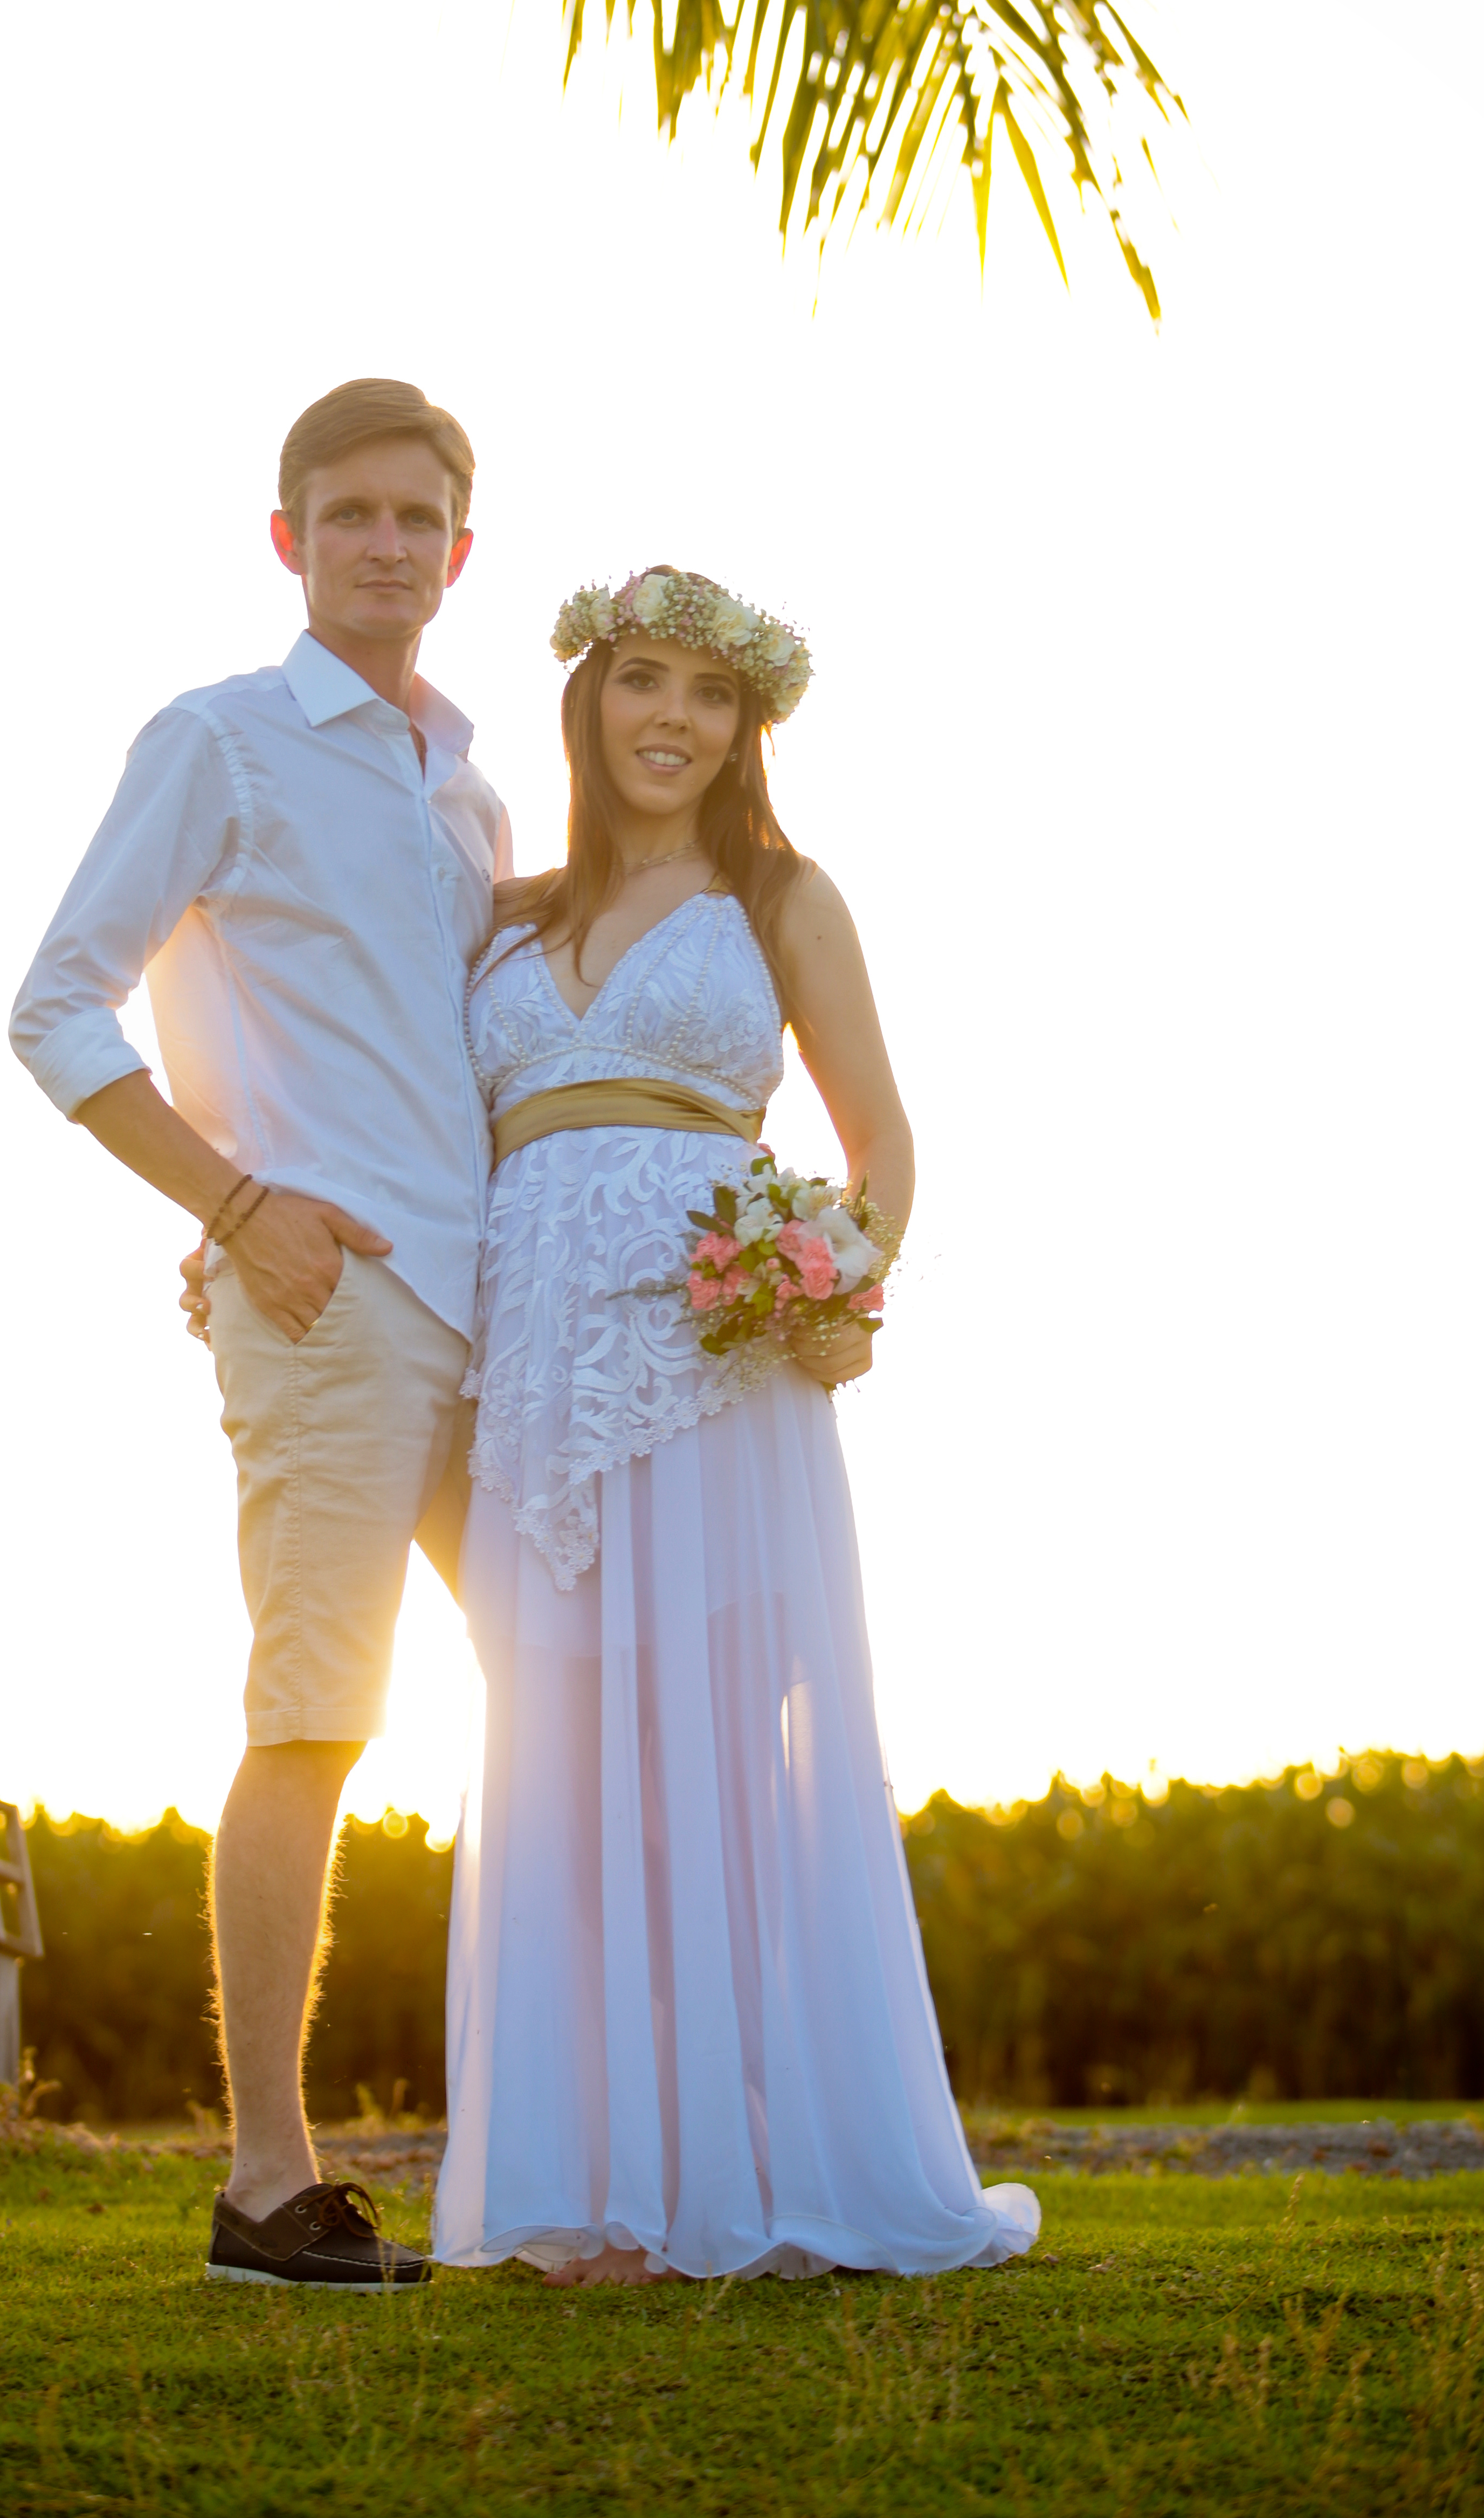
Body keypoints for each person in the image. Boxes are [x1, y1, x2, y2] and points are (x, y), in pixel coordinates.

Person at [430, 567, 1039, 2283]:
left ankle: (760, 2175)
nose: (671, 718)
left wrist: (829, 1284)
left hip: (713, 1362)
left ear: (743, 725)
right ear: (591, 700)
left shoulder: (780, 894)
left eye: (708, 692)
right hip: (533, 1366)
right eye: (642, 680)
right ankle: (593, 2190)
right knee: (564, 1759)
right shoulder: (503, 916)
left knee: (710, 1751)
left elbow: (887, 1149)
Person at [9, 377, 504, 2295]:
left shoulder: (468, 783)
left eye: (421, 518)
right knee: (315, 1718)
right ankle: (268, 2189)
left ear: (463, 551)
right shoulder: (218, 740)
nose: (387, 543)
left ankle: (583, 2137)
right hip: (328, 1300)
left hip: (498, 1306)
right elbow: (56, 1007)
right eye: (350, 512)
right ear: (288, 536)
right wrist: (232, 1209)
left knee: (575, 1702)